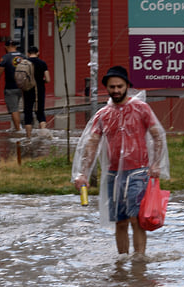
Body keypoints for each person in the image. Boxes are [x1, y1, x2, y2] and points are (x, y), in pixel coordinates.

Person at [71, 66, 170, 259]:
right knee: (120, 221)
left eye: (119, 86)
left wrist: (156, 163)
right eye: (112, 87)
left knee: (136, 219)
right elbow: (91, 144)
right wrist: (83, 172)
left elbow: (158, 136)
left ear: (127, 86)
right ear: (106, 88)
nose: (116, 90)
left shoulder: (141, 108)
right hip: (113, 174)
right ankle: (123, 259)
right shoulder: (103, 114)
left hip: (139, 172)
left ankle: (139, 259)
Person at [0, 39, 24, 132]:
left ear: (6, 47)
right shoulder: (23, 57)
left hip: (11, 87)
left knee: (14, 109)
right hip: (23, 87)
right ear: (15, 46)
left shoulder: (5, 58)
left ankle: (18, 130)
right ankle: (20, 127)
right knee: (19, 108)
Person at [22, 45, 50, 138]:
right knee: (40, 112)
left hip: (27, 90)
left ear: (28, 53)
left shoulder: (24, 63)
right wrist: (42, 81)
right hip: (39, 89)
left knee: (28, 112)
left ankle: (28, 137)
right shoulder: (42, 63)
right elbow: (48, 79)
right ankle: (43, 134)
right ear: (38, 53)